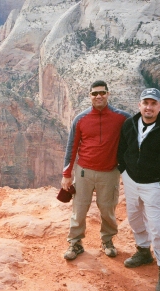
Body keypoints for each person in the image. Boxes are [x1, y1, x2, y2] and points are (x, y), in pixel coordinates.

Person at [117, 88, 160, 291]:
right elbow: (122, 148)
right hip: (131, 180)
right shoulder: (129, 124)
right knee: (134, 217)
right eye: (145, 103)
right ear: (139, 105)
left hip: (155, 185)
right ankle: (143, 252)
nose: (148, 107)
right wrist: (123, 170)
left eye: (153, 103)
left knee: (157, 228)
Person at [61, 80, 130, 260]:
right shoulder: (81, 119)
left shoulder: (122, 118)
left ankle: (107, 240)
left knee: (107, 208)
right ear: (89, 96)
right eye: (94, 93)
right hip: (84, 171)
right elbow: (72, 148)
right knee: (79, 208)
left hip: (110, 172)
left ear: (108, 94)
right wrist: (67, 175)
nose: (98, 96)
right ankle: (75, 243)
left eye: (102, 92)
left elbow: (145, 123)